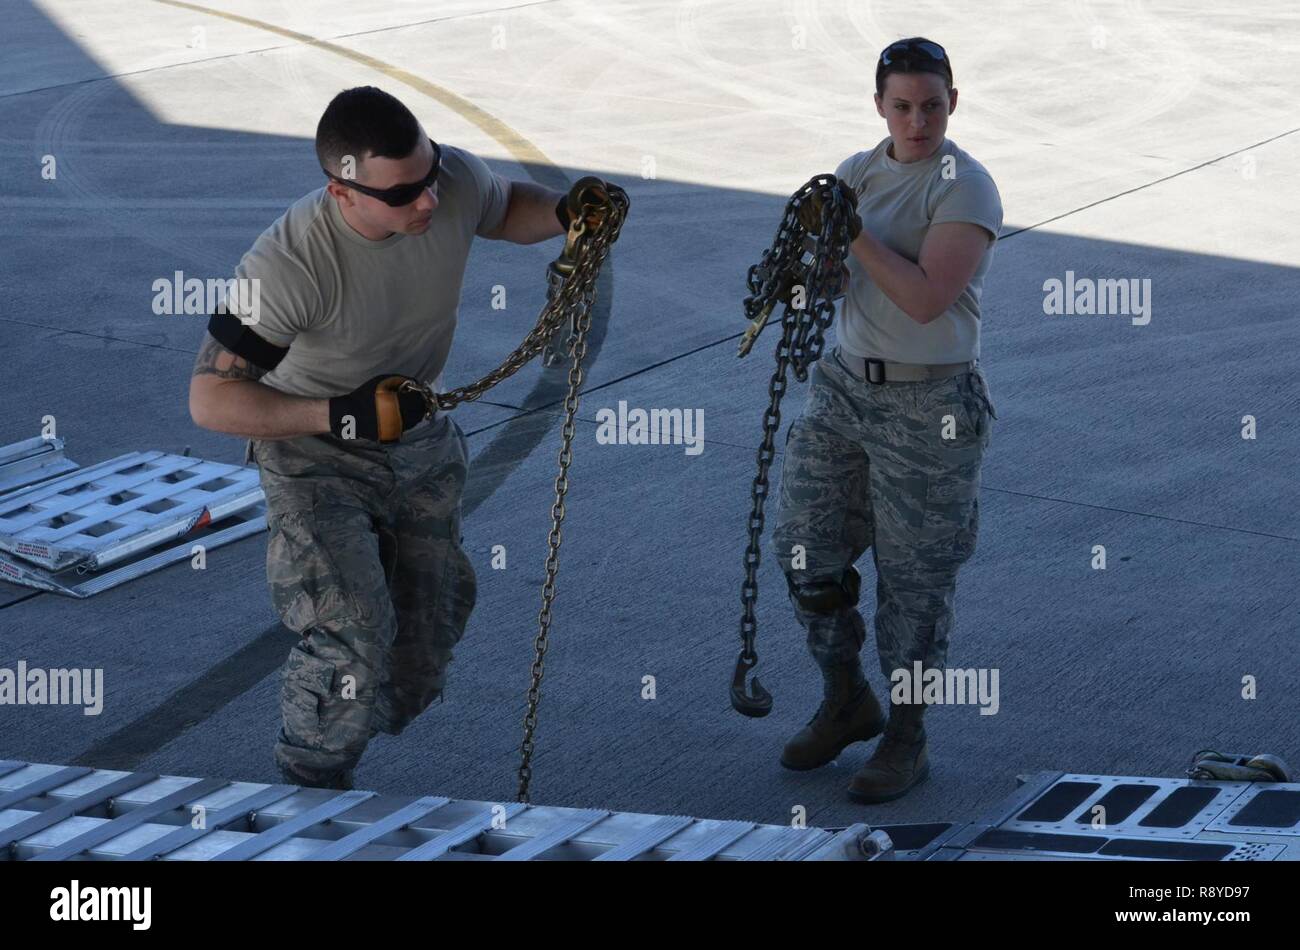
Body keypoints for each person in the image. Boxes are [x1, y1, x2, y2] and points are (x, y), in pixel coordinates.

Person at [189, 85, 623, 789]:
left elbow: (503, 203)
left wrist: (567, 209)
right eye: (403, 195)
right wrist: (341, 414)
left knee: (420, 657)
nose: (427, 201)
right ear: (342, 192)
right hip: (314, 454)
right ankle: (309, 785)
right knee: (353, 634)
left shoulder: (444, 182)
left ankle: (350, 722)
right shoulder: (286, 266)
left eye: (429, 177)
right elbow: (210, 398)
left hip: (417, 443)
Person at [771, 38, 1003, 803]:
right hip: (843, 389)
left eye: (932, 105)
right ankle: (846, 699)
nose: (917, 120)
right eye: (902, 106)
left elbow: (927, 297)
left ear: (953, 104)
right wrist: (808, 268)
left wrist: (852, 233)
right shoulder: (857, 172)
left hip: (929, 405)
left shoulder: (965, 187)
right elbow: (836, 278)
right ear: (880, 106)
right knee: (806, 550)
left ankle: (907, 734)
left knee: (913, 587)